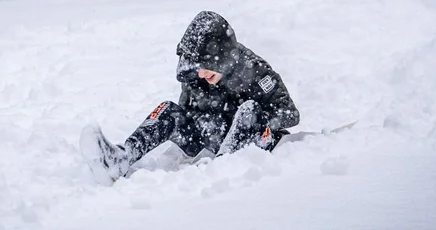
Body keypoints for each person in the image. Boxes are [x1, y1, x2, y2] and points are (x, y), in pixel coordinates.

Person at [80, 11, 300, 184]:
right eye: (197, 68)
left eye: (206, 67)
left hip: (252, 143)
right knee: (169, 109)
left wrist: (258, 123)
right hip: (213, 136)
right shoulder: (195, 75)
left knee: (249, 109)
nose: (201, 74)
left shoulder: (255, 70)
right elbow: (188, 110)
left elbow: (289, 113)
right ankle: (121, 159)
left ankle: (226, 168)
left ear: (221, 58)